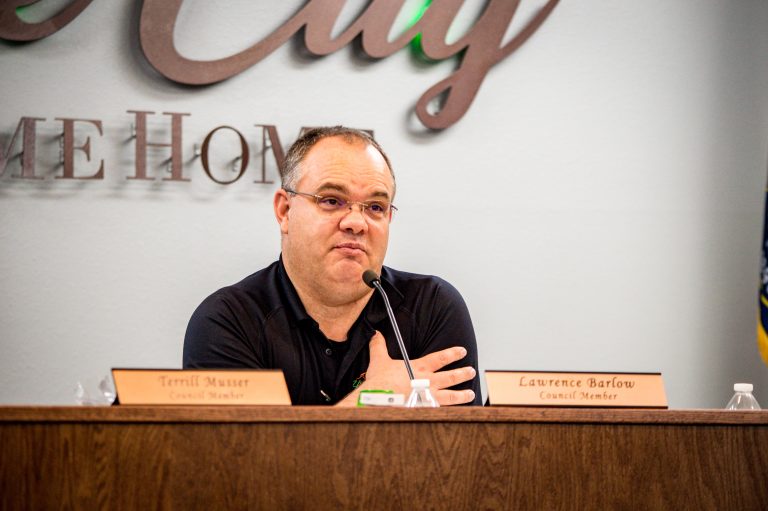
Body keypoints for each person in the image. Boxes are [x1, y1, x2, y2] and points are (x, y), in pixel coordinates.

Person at [183, 126, 481, 406]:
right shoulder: (228, 320)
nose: (356, 222)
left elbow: (458, 453)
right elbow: (248, 459)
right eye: (331, 201)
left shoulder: (431, 307)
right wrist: (373, 401)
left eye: (375, 207)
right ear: (284, 210)